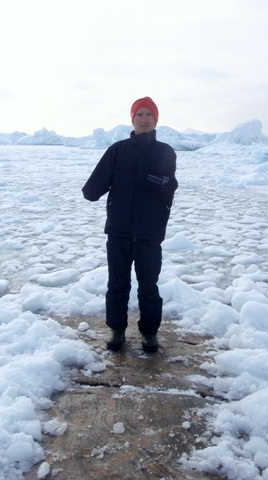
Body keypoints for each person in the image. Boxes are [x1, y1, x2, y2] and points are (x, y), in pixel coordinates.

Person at [82, 96, 178, 353]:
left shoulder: (165, 152)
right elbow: (92, 190)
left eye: (149, 115)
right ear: (132, 120)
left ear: (155, 120)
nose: (144, 119)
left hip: (149, 235)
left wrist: (158, 208)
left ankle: (149, 333)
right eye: (139, 115)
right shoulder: (117, 150)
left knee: (149, 286)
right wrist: (97, 187)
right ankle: (116, 330)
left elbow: (168, 188)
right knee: (117, 284)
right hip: (119, 233)